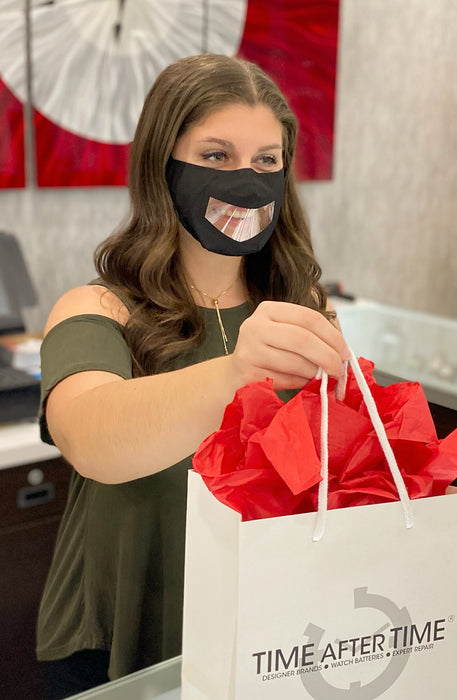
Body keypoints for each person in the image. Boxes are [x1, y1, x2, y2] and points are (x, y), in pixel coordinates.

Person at [36, 53, 349, 699]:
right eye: (215, 156)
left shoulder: (305, 309)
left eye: (267, 160)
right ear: (161, 164)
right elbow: (92, 440)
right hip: (118, 644)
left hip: (267, 633)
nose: (247, 178)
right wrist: (238, 372)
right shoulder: (97, 308)